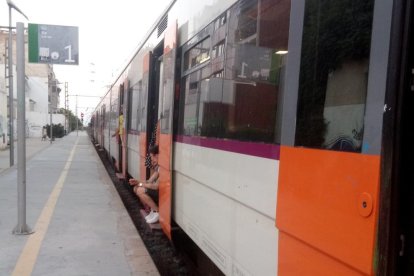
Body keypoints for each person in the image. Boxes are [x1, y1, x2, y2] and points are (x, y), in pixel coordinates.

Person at [129, 145, 160, 224]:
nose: (151, 159)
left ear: (156, 155)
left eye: (152, 156)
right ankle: (153, 210)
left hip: (163, 193)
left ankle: (157, 212)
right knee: (136, 188)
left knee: (140, 190)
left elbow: (156, 186)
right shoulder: (159, 167)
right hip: (158, 191)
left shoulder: (163, 168)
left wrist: (140, 184)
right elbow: (149, 181)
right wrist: (137, 181)